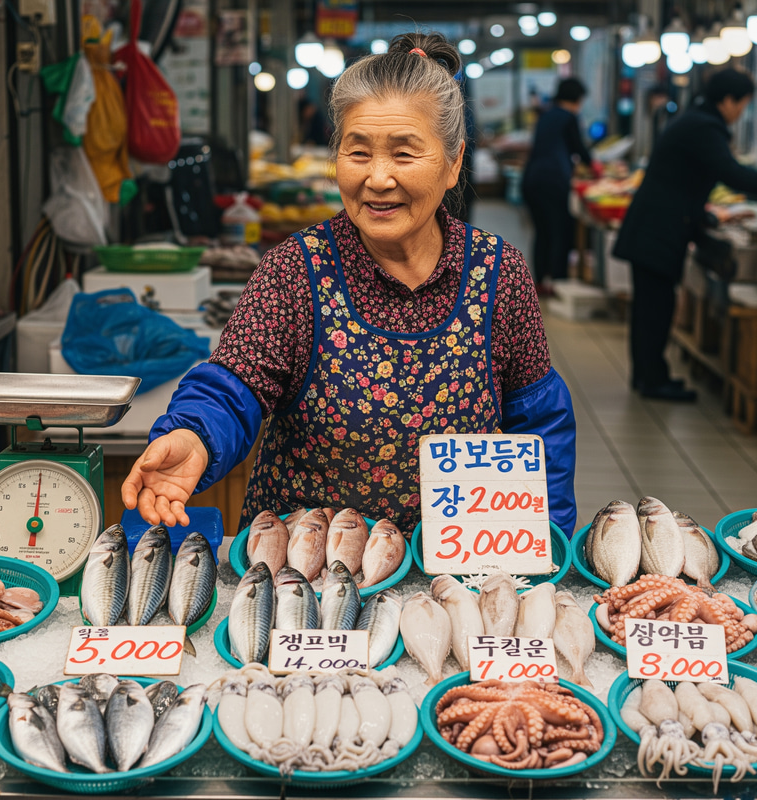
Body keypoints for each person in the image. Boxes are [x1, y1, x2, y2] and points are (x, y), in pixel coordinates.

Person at [121, 32, 578, 538]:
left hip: (453, 566)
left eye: (404, 154)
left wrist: (549, 540)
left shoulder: (497, 272)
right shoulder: (295, 270)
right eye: (358, 152)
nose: (378, 179)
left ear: (453, 163)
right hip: (304, 565)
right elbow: (236, 383)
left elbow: (538, 422)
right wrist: (194, 435)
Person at [614, 67, 757, 402]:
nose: (741, 112)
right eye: (743, 105)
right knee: (656, 308)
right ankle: (653, 380)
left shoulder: (695, 120)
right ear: (729, 100)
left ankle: (649, 375)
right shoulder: (706, 127)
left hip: (654, 227)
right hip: (657, 232)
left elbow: (683, 182)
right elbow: (731, 173)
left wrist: (706, 215)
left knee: (651, 307)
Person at [522, 77, 592, 296]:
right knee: (560, 231)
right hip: (553, 181)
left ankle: (540, 282)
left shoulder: (545, 114)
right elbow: (579, 148)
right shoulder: (569, 117)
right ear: (577, 99)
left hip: (531, 179)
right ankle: (559, 282)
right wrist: (594, 166)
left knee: (542, 232)